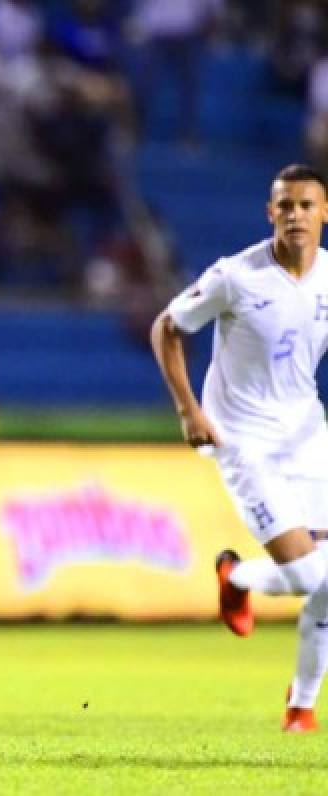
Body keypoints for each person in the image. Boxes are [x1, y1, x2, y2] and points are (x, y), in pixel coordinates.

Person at [151, 163, 328, 733]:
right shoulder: (237, 275)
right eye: (285, 205)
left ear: (325, 213)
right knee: (305, 578)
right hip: (242, 438)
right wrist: (188, 408)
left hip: (306, 434)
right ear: (269, 212)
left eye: (306, 205)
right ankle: (238, 578)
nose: (294, 215)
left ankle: (301, 706)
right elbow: (167, 327)